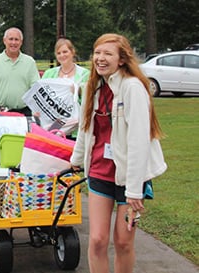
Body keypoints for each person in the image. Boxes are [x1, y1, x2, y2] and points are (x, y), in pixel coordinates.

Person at [69, 33, 167, 273]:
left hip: (129, 178)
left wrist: (134, 189)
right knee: (97, 240)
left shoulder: (132, 88)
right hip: (100, 172)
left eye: (108, 54)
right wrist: (76, 160)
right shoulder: (91, 87)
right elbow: (84, 129)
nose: (100, 59)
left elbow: (138, 142)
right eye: (97, 53)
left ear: (122, 60)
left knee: (123, 242)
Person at [0, 27, 40, 116]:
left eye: (16, 39)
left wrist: (36, 108)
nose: (13, 42)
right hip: (0, 112)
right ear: (4, 40)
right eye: (11, 39)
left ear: (21, 42)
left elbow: (35, 89)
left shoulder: (30, 62)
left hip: (24, 112)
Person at [41, 38, 90, 137]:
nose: (62, 55)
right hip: (53, 124)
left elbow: (90, 97)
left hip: (76, 125)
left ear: (72, 52)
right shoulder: (49, 73)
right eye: (58, 53)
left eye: (65, 52)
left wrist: (79, 91)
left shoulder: (84, 74)